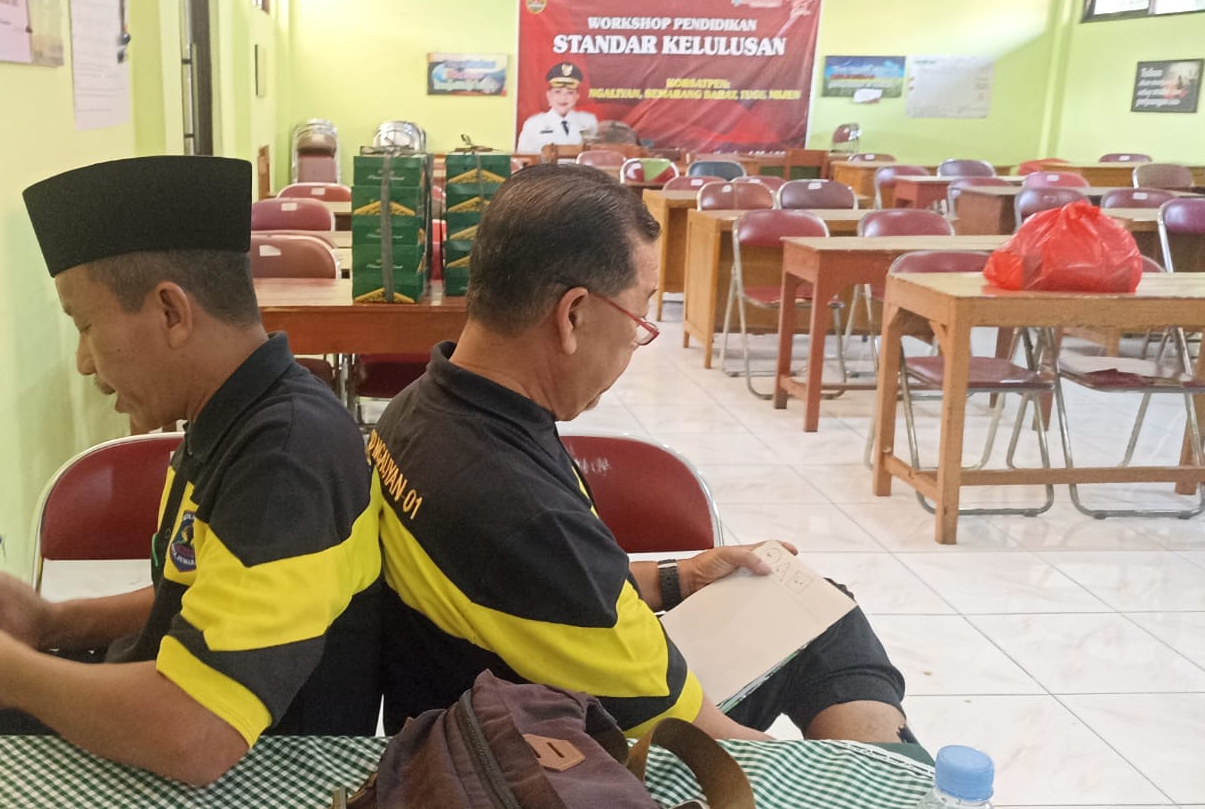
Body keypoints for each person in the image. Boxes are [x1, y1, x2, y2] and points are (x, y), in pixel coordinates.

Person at [0, 156, 383, 786]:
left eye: (84, 326)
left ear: (171, 313)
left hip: (243, 769)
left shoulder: (287, 458)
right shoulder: (235, 416)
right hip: (167, 709)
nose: (82, 361)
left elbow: (196, 735)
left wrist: (6, 673)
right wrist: (52, 622)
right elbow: (199, 591)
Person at [369, 162, 908, 743]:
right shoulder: (519, 508)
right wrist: (843, 778)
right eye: (639, 317)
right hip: (552, 754)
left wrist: (682, 577)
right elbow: (705, 740)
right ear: (573, 315)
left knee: (820, 608)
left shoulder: (418, 410)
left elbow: (535, 589)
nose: (637, 339)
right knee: (829, 641)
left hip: (481, 706)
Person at [515, 61, 599, 154]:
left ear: (577, 96)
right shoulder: (533, 124)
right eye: (557, 92)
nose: (563, 98)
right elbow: (524, 158)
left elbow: (595, 155)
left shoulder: (589, 121)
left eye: (570, 93)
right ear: (548, 95)